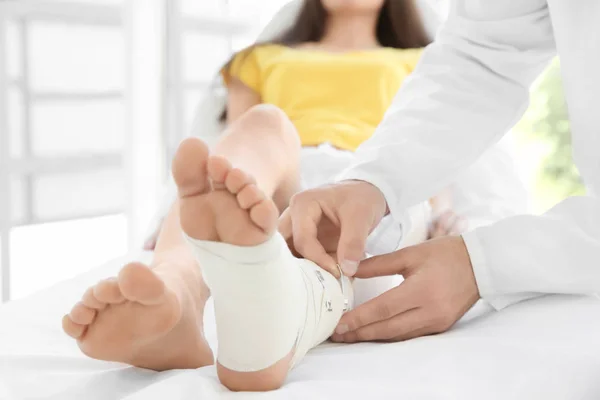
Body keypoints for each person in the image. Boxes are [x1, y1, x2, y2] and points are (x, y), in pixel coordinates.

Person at [61, 0, 526, 392]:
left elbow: (429, 147)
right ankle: (180, 289)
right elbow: (231, 148)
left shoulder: (422, 63)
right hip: (280, 182)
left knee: (353, 219)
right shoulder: (258, 60)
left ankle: (287, 303)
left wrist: (443, 214)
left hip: (370, 179)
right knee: (262, 128)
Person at [281, 0, 600, 345]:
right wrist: (373, 182)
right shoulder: (266, 60)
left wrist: (484, 263)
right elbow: (481, 59)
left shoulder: (395, 57)